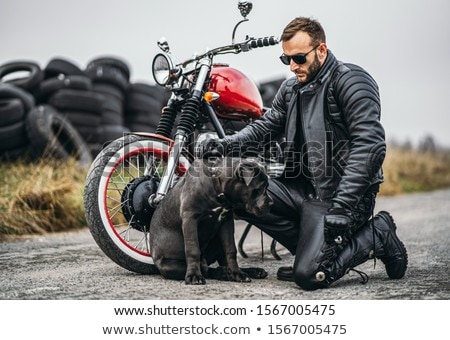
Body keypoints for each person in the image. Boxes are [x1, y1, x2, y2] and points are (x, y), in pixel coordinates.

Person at [202, 16, 408, 290]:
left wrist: (343, 205)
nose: (292, 66)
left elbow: (370, 145)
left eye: (299, 57)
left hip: (340, 197)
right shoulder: (291, 89)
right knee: (235, 189)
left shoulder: (351, 81)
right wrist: (225, 144)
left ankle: (378, 234)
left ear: (321, 50)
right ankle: (314, 247)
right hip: (301, 189)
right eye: (285, 59)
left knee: (309, 275)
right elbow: (265, 127)